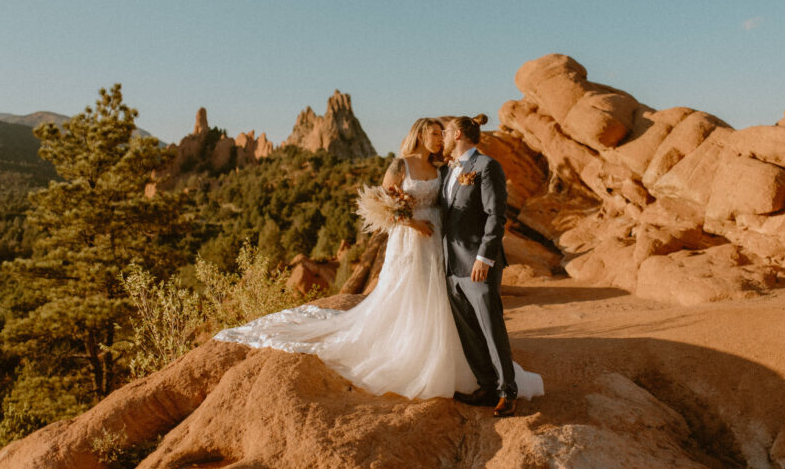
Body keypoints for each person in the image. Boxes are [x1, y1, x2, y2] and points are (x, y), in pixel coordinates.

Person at [213, 117, 542, 406]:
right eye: (434, 132)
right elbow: (383, 204)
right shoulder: (401, 165)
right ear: (419, 134)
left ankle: (471, 370)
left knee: (440, 301)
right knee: (408, 294)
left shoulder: (447, 169)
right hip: (412, 240)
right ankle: (411, 355)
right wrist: (409, 221)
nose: (439, 137)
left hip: (442, 243)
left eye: (443, 133)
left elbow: (470, 208)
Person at [441, 115, 535, 417]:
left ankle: (508, 391)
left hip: (477, 263)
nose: (441, 138)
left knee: (491, 326)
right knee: (468, 329)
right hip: (451, 264)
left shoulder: (486, 167)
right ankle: (486, 386)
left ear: (457, 134)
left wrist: (485, 257)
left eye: (444, 133)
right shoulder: (448, 170)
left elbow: (496, 216)